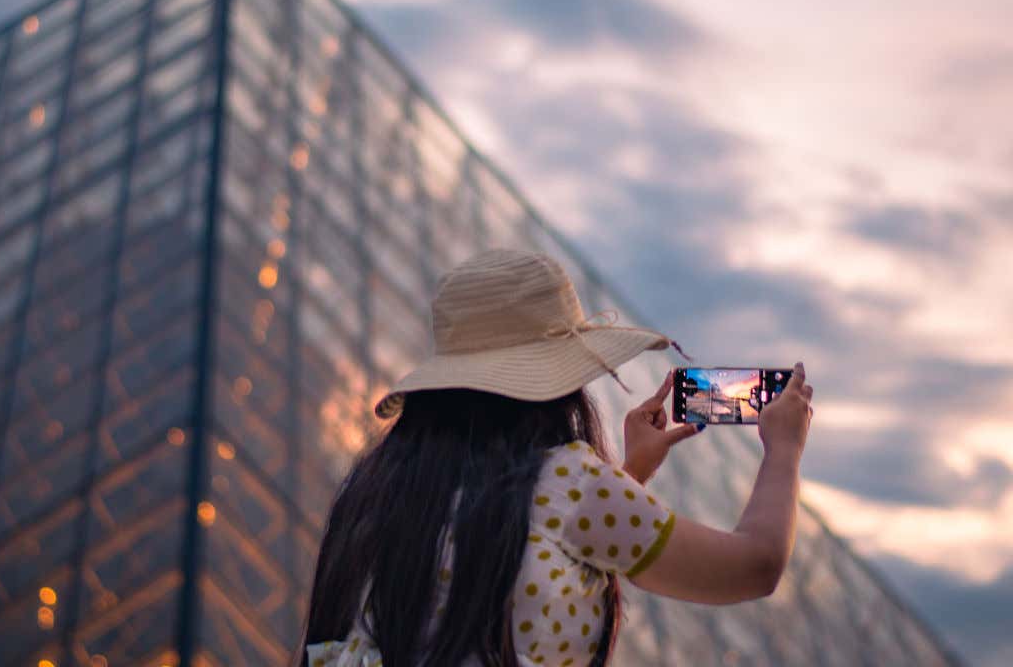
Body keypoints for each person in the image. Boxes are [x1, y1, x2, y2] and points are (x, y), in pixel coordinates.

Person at [297, 249, 813, 667]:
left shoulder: (375, 491)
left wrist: (630, 478)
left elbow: (525, 550)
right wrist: (783, 449)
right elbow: (755, 565)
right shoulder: (572, 485)